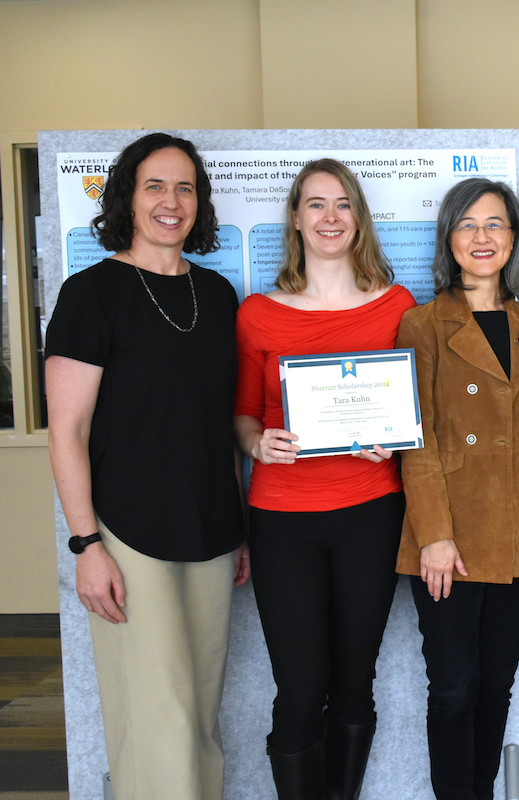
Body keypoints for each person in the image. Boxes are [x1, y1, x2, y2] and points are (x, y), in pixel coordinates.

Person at [45, 132, 248, 800]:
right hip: (129, 532)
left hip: (214, 531)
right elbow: (67, 431)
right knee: (157, 718)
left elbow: (218, 422)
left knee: (201, 719)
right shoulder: (91, 294)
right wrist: (86, 545)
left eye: (185, 187)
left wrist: (240, 529)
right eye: (155, 185)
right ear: (127, 197)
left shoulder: (218, 296)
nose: (172, 201)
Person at [234, 158, 417, 800]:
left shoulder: (397, 306)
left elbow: (414, 413)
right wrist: (258, 441)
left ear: (359, 218)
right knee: (299, 688)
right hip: (282, 518)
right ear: (295, 218)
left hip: (370, 512)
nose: (330, 217)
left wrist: (389, 442)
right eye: (316, 204)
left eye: (342, 205)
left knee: (353, 683)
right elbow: (244, 415)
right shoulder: (258, 313)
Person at [397, 177, 519, 800]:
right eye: (468, 224)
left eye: (495, 224)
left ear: (513, 238)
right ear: (449, 237)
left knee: (496, 684)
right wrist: (434, 537)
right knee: (452, 687)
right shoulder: (422, 325)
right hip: (453, 540)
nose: (482, 237)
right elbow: (416, 441)